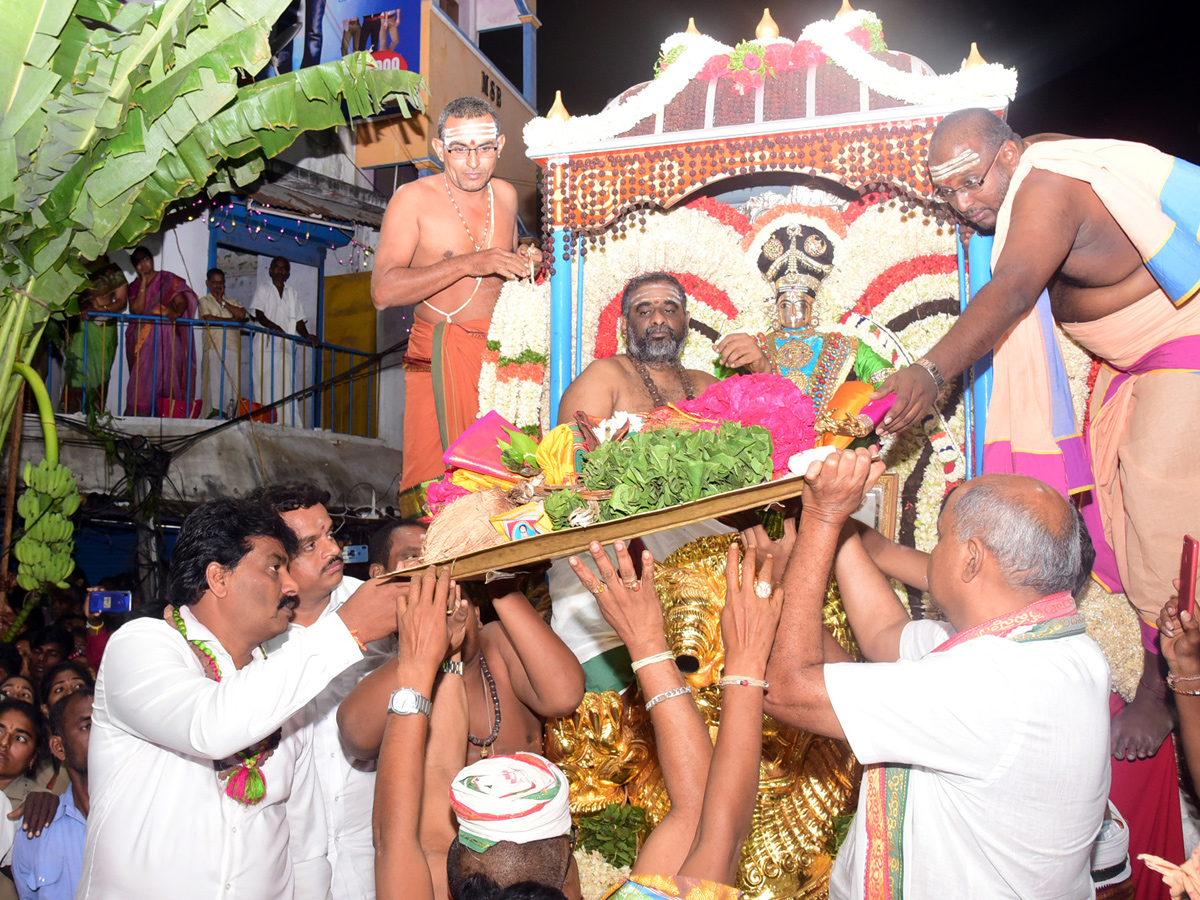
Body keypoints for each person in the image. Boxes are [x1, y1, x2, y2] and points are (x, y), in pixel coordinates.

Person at [875, 109, 1200, 632]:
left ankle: (1181, 683)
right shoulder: (1024, 162)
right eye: (949, 194)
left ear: (1007, 155)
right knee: (1121, 509)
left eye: (971, 183)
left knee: (1160, 499)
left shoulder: (1046, 185)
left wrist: (930, 372)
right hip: (1135, 363)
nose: (963, 205)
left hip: (1184, 346)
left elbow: (1015, 287)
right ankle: (1162, 666)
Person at [763, 452, 1110, 898]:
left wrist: (821, 519)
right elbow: (884, 634)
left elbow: (786, 689)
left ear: (970, 560)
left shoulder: (989, 685)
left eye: (942, 536)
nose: (934, 549)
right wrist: (838, 522)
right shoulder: (1053, 645)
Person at [76, 497, 400, 899]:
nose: (291, 586)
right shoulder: (141, 645)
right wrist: (348, 628)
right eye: (274, 568)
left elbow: (305, 848)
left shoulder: (282, 686)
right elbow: (208, 725)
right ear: (218, 578)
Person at [372, 97, 542, 492]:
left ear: (499, 146)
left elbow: (501, 270)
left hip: (502, 362)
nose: (472, 162)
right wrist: (469, 263)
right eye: (459, 149)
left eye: (483, 149)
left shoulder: (505, 195)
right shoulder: (412, 199)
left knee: (509, 487)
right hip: (441, 358)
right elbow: (383, 291)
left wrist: (523, 258)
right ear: (439, 149)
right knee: (437, 490)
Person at [251, 482, 406, 900]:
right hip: (290, 869)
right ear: (274, 561)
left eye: (330, 534)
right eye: (309, 545)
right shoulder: (250, 634)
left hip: (378, 854)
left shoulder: (385, 604)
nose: (333, 550)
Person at [716, 223, 894, 422]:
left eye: (799, 304)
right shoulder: (754, 346)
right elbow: (721, 396)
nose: (792, 312)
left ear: (813, 307)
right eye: (785, 305)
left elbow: (891, 385)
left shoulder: (844, 346)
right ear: (775, 308)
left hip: (835, 447)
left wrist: (865, 421)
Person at [558, 272, 718, 425]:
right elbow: (573, 450)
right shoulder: (604, 377)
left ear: (687, 320)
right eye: (644, 312)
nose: (659, 319)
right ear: (624, 325)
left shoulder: (707, 386)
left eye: (669, 310)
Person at [10, 691, 92, 900]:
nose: (104, 735)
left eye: (110, 726)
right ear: (59, 747)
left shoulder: (146, 813)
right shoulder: (36, 832)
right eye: (88, 726)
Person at [124, 247, 198, 417]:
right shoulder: (134, 286)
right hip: (142, 340)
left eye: (145, 259)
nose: (143, 264)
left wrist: (176, 313)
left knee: (168, 378)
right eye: (138, 262)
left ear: (151, 259)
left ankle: (167, 416)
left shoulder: (167, 279)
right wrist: (143, 282)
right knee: (142, 382)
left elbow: (181, 301)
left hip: (169, 340)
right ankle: (139, 419)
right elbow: (137, 310)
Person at [250, 256, 317, 427]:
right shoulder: (263, 289)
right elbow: (258, 314)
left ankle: (288, 423)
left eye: (283, 268)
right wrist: (273, 326)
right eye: (276, 267)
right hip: (264, 345)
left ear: (288, 273)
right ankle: (266, 422)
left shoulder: (292, 294)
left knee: (285, 386)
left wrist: (308, 335)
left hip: (285, 347)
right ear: (270, 270)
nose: (280, 271)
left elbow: (299, 322)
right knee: (264, 384)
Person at [64, 256, 126, 415]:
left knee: (100, 372)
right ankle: (72, 416)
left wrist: (103, 309)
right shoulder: (78, 269)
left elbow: (121, 301)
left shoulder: (113, 270)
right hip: (81, 327)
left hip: (104, 328)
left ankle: (95, 417)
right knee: (76, 370)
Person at [196, 267, 247, 418]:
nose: (218, 286)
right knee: (212, 385)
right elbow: (208, 318)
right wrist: (231, 321)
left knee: (230, 387)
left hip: (232, 349)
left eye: (221, 283)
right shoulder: (204, 301)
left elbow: (242, 314)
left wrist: (222, 302)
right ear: (208, 283)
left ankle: (228, 417)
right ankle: (209, 419)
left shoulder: (232, 302)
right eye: (214, 282)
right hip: (213, 349)